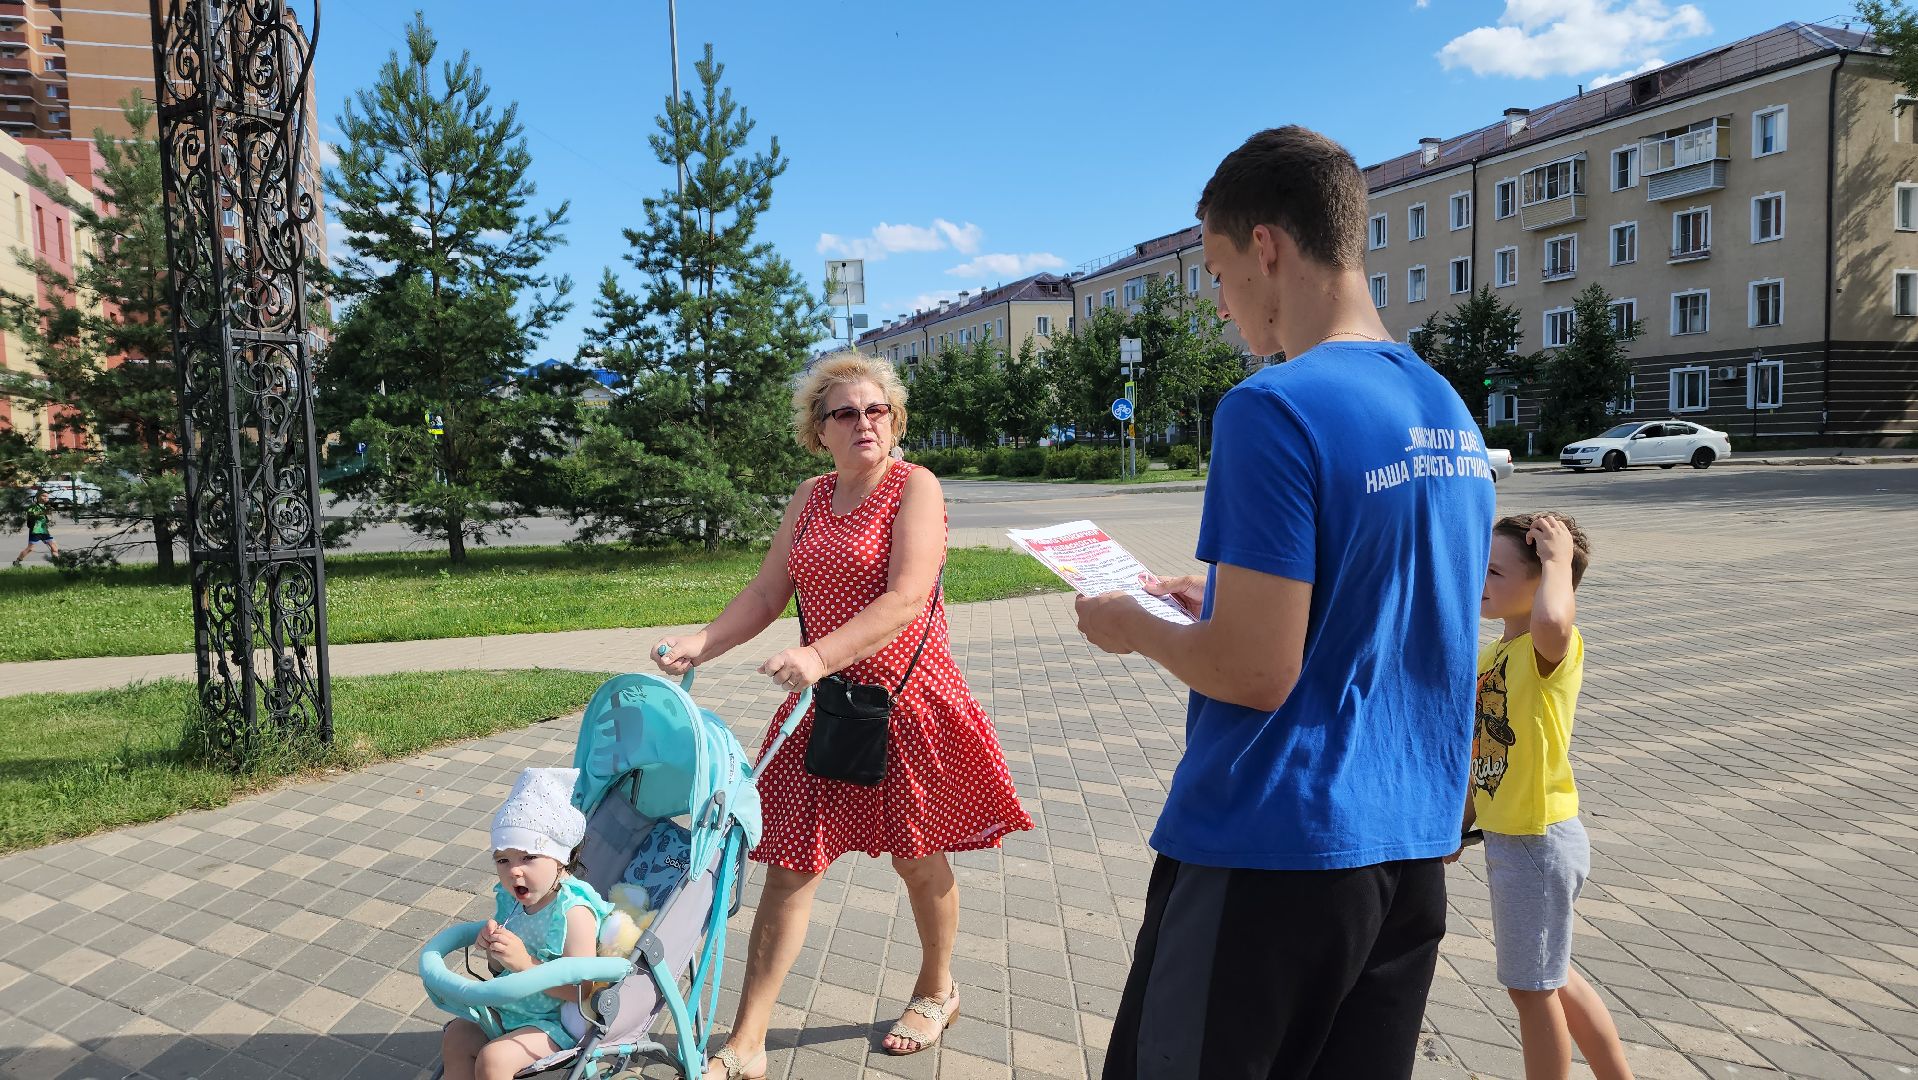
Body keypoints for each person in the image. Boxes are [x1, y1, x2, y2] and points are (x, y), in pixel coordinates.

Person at [1074, 125, 1497, 1079]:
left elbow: (1256, 673)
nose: (1224, 309)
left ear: (1266, 247)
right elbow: (1388, 597)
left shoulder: (1272, 406)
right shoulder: (1447, 411)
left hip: (1271, 846)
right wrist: (1218, 592)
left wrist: (1134, 623)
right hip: (1406, 854)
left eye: (1219, 276)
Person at [653, 352, 1032, 1079]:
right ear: (818, 431)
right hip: (820, 709)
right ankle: (749, 1039)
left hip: (902, 705)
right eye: (846, 413)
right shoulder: (810, 497)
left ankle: (937, 987)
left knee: (917, 861)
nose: (865, 423)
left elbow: (906, 598)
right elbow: (767, 595)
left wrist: (818, 655)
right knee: (790, 867)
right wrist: (702, 642)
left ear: (894, 421)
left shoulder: (913, 486)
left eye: (877, 410)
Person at [1449, 513, 1633, 1080]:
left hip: (1539, 843)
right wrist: (1459, 826)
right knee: (1554, 978)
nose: (1480, 579)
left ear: (1544, 583)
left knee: (1531, 991)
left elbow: (1554, 616)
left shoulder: (1549, 651)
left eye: (1496, 571)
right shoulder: (1492, 660)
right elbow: (1484, 757)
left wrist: (1557, 562)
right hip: (1517, 841)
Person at [441, 767, 614, 1080]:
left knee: (493, 1060)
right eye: (503, 860)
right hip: (510, 1006)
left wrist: (524, 964)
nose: (514, 872)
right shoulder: (513, 900)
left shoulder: (573, 911)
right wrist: (494, 953)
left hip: (552, 1022)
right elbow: (499, 970)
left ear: (560, 858)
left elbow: (582, 990)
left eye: (528, 858)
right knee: (457, 1035)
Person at [12, 490, 58, 567]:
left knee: (54, 546)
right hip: (35, 531)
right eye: (43, 496)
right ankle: (17, 561)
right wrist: (43, 513)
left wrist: (49, 514)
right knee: (30, 548)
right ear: (38, 497)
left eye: (47, 497)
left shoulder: (46, 506)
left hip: (44, 531)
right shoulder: (33, 506)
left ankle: (58, 564)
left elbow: (47, 518)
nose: (46, 498)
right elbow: (30, 514)